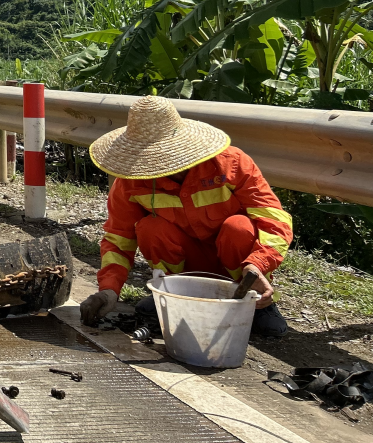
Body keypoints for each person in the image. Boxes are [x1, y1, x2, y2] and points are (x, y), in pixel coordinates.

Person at [79, 96, 292, 339]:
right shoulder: (130, 183)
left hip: (236, 269)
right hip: (183, 273)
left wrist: (258, 265)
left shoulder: (230, 164)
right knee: (151, 228)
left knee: (239, 227)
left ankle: (252, 302)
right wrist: (109, 290)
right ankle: (173, 296)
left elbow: (274, 219)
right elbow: (118, 240)